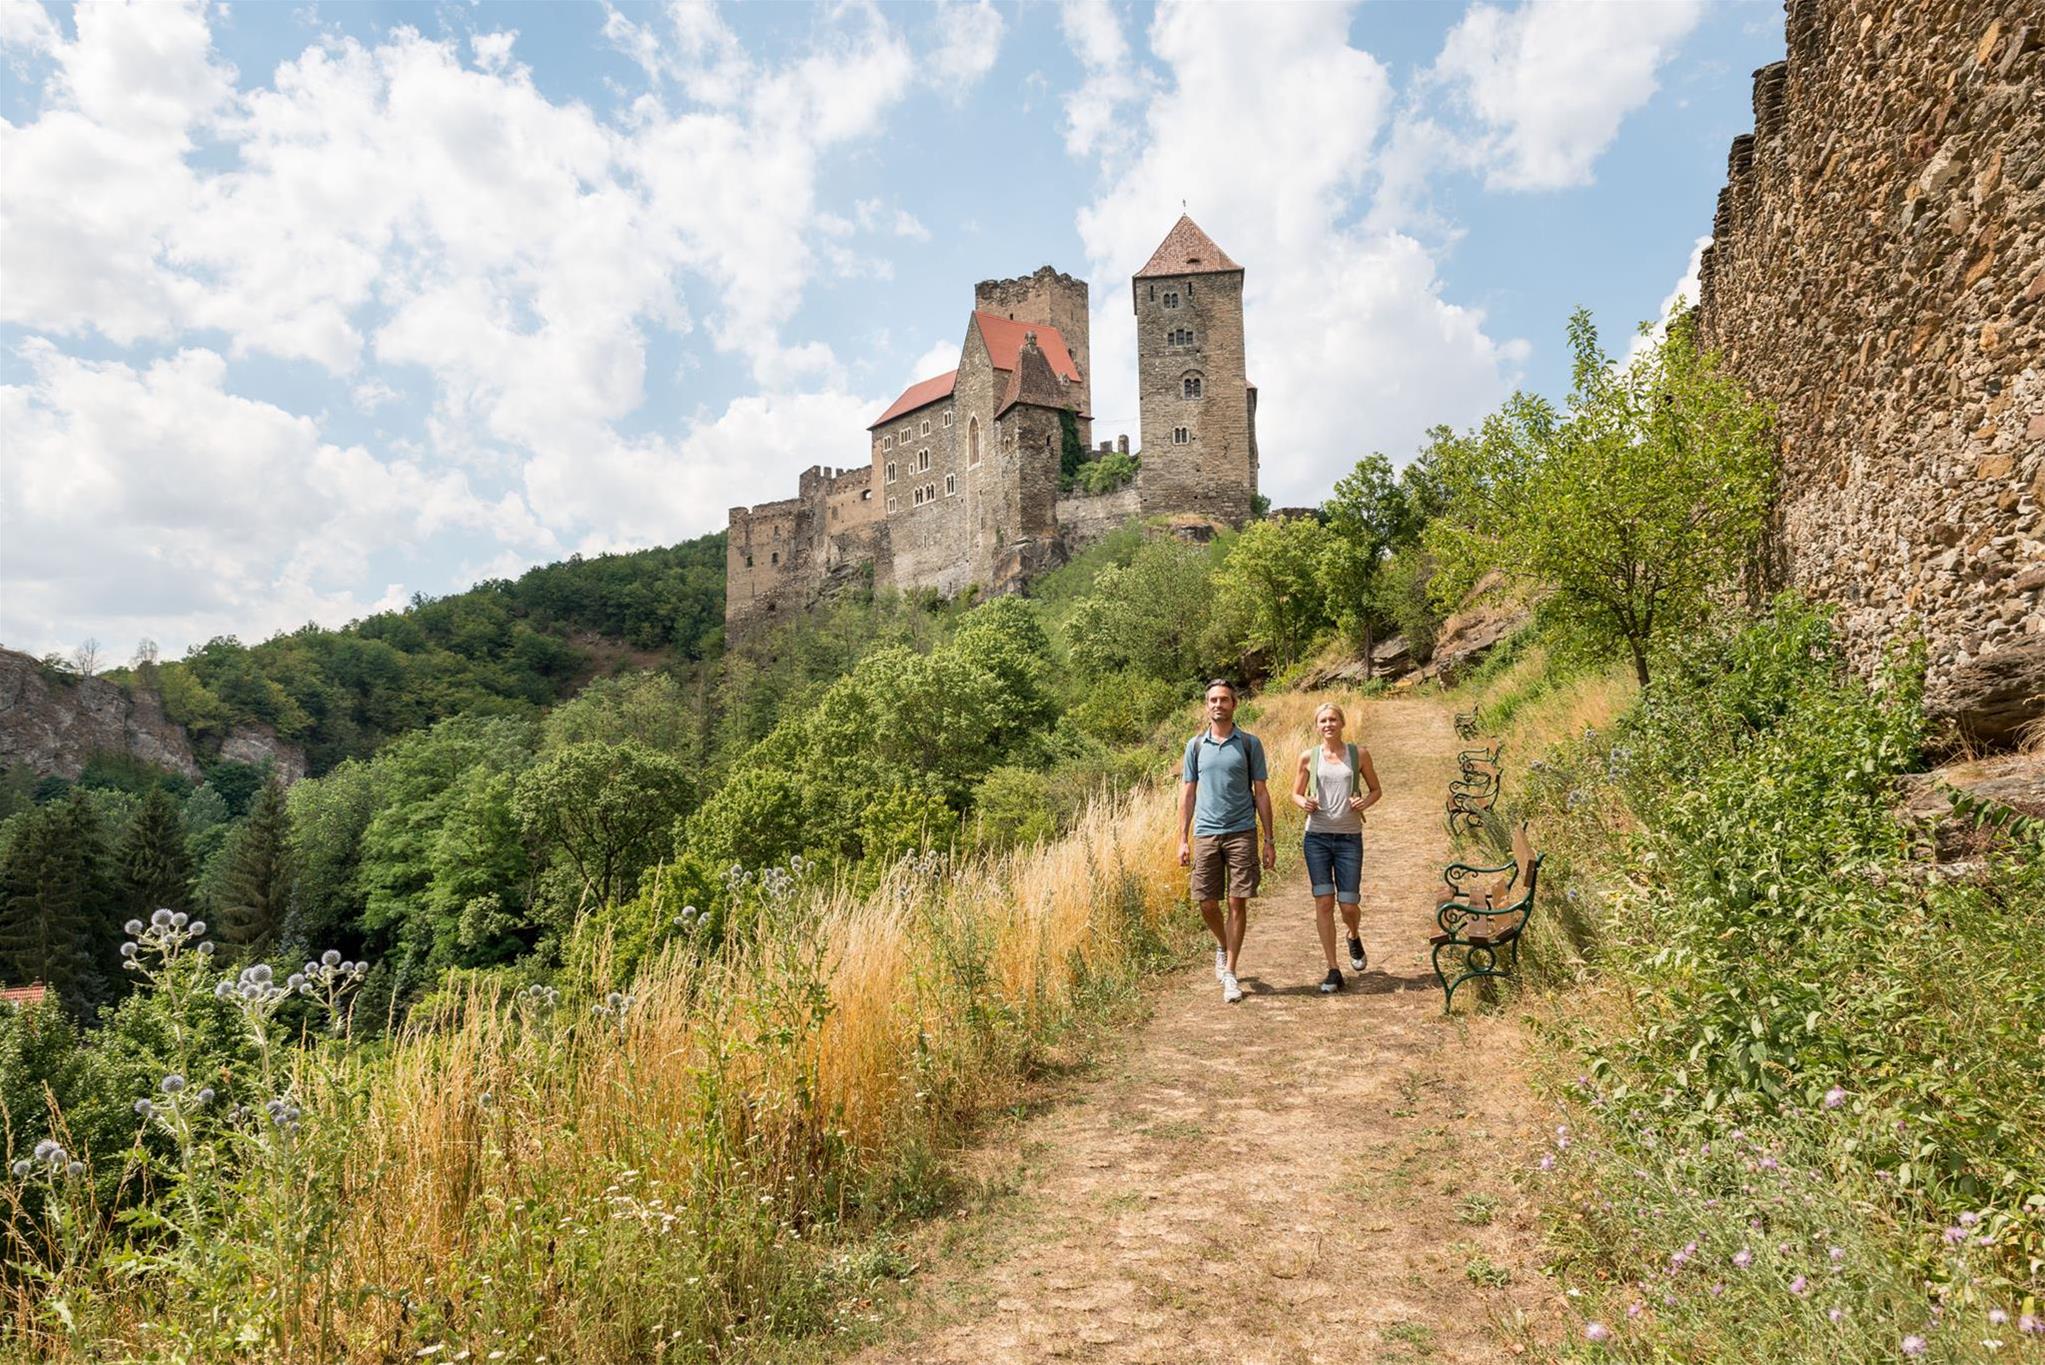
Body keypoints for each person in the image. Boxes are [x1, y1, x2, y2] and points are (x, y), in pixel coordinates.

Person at [1179, 679, 1275, 1004]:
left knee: (1237, 901)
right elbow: (1188, 793)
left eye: (1224, 699)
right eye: (1213, 700)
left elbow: (1261, 792)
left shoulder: (1249, 744)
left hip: (1242, 831)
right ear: (1206, 706)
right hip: (1205, 833)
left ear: (1235, 704)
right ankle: (1222, 944)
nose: (1218, 705)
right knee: (1206, 902)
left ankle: (1231, 972)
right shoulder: (1195, 746)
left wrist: (1269, 839)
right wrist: (1182, 838)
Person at [1290, 702, 1382, 993]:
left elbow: (1376, 789)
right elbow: (1295, 793)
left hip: (1348, 838)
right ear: (1316, 726)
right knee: (1324, 902)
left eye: (1333, 719)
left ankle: (1353, 934)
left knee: (1348, 904)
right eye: (1322, 721)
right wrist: (1303, 802)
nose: (1328, 724)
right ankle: (1333, 969)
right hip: (1316, 837)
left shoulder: (1359, 755)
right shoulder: (1308, 757)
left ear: (1342, 723)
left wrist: (1364, 802)